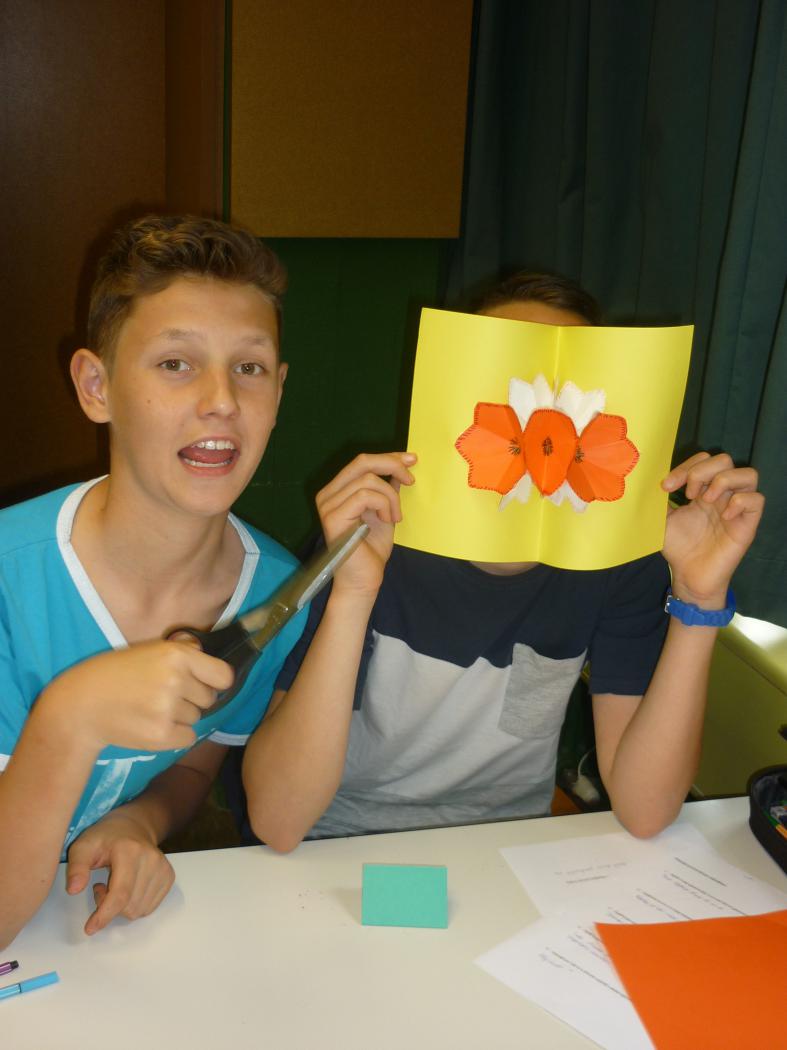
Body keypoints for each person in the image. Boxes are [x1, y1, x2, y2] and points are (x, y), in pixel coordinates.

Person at [237, 270, 764, 846]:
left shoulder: (615, 560)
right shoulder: (375, 537)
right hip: (344, 835)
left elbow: (646, 811)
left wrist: (699, 599)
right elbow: (279, 821)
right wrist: (354, 591)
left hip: (509, 843)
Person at [0, 215, 412, 949]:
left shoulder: (271, 596)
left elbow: (194, 765)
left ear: (278, 393)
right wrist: (69, 719)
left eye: (249, 368)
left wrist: (139, 820)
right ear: (96, 386)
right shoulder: (11, 580)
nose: (222, 398)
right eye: (175, 363)